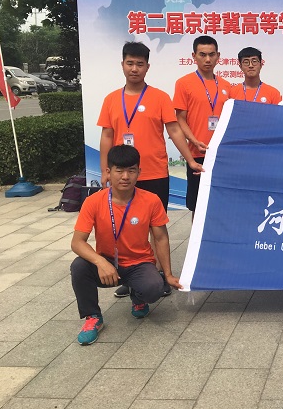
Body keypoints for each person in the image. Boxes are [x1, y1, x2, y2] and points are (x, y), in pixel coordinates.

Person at [98, 41, 203, 297]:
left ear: (147, 67)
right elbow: (107, 136)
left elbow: (174, 130)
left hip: (154, 172)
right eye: (130, 63)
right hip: (123, 176)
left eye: (139, 64)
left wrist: (190, 160)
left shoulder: (160, 97)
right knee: (126, 227)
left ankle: (159, 274)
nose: (134, 68)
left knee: (156, 228)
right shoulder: (111, 99)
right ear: (122, 65)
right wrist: (105, 171)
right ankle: (130, 275)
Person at [70, 145, 183, 345]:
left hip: (139, 263)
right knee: (79, 266)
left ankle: (138, 297)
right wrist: (100, 262)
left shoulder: (151, 200)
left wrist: (168, 274)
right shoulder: (93, 202)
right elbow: (77, 242)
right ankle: (93, 317)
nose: (125, 176)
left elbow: (161, 238)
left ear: (139, 172)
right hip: (107, 263)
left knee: (154, 288)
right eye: (119, 170)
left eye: (131, 170)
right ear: (108, 172)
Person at [173, 36, 233, 215]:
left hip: (222, 155)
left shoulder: (226, 85)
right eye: (202, 54)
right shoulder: (184, 83)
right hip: (197, 154)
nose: (207, 59)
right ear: (194, 56)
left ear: (218, 56)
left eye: (211, 54)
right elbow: (180, 119)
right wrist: (194, 140)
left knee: (221, 205)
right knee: (198, 208)